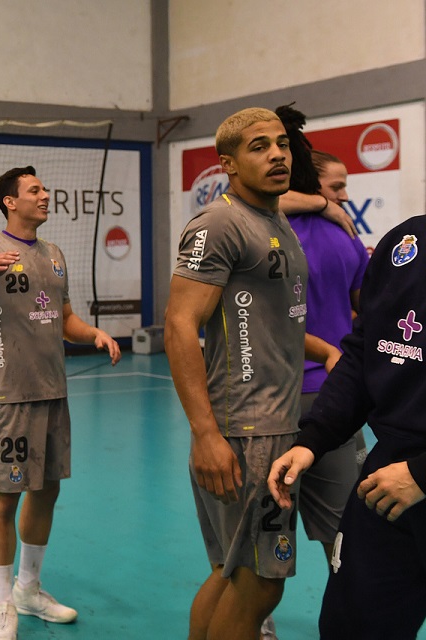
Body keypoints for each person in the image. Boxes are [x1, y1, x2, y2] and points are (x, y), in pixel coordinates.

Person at [0, 165, 122, 639]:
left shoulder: (53, 254)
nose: (45, 195)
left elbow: (65, 318)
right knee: (4, 499)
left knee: (47, 491)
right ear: (10, 201)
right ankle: (4, 604)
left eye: (45, 189)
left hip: (54, 394)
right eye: (35, 190)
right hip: (9, 397)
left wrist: (94, 334)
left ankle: (29, 589)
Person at [164, 108, 309, 640]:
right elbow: (179, 324)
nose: (277, 155)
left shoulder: (275, 219)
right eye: (259, 146)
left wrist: (331, 352)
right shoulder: (220, 223)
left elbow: (278, 318)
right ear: (228, 163)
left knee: (232, 571)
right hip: (248, 429)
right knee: (259, 583)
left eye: (281, 144)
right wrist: (206, 434)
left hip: (271, 423)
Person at [268, 218, 426, 637]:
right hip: (387, 482)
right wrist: (313, 439)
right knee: (354, 623)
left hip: (413, 475)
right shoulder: (405, 245)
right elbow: (362, 354)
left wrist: (422, 473)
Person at [269, 107, 369, 626]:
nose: (344, 197)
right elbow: (366, 308)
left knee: (265, 535)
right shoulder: (345, 236)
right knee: (346, 534)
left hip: (273, 400)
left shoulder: (268, 232)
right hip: (335, 396)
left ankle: (258, 626)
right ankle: (352, 623)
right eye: (337, 187)